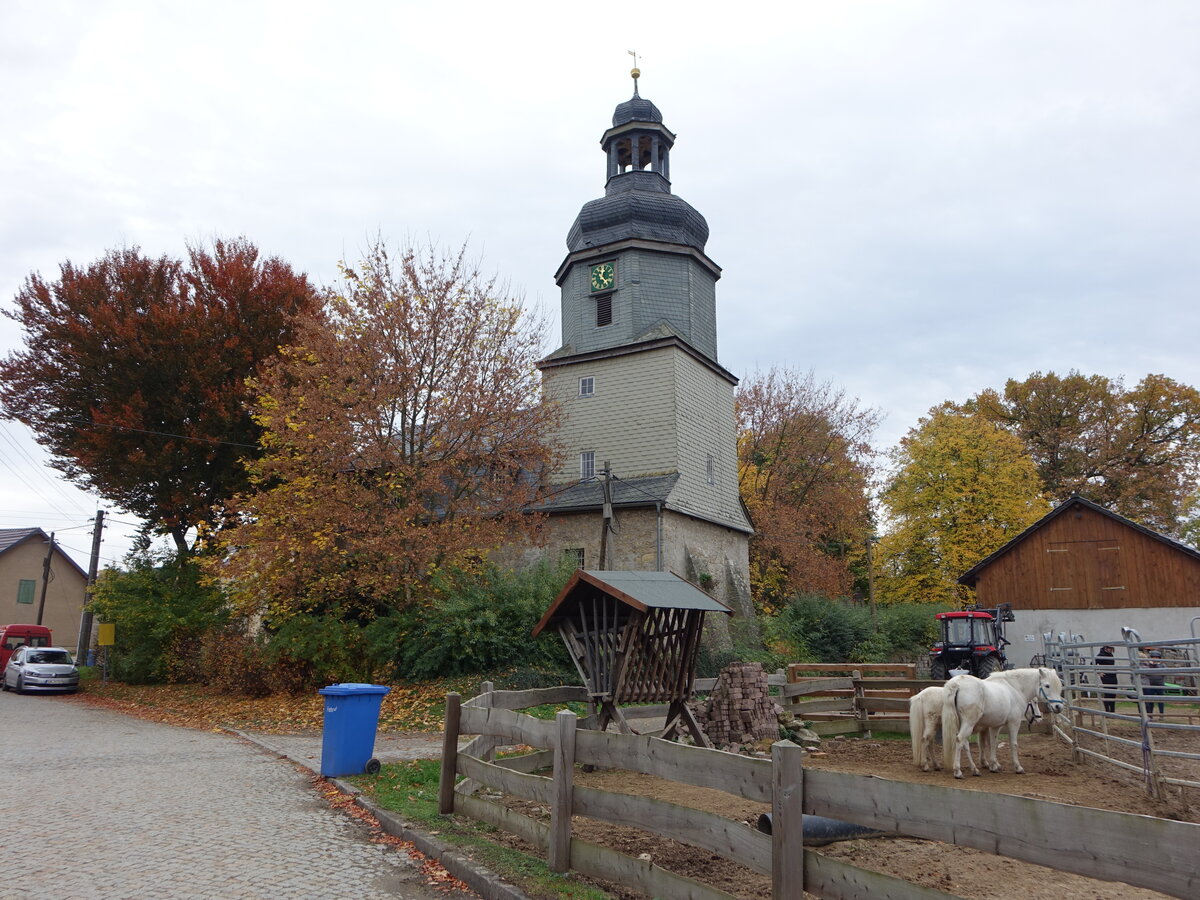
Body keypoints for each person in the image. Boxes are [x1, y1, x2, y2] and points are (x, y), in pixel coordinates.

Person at [1141, 650, 1166, 718]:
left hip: (1160, 684)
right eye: (1153, 657)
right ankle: (1150, 715)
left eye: (1157, 657)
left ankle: (1161, 715)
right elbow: (1147, 673)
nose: (1155, 658)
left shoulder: (1162, 665)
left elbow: (1164, 673)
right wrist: (1152, 665)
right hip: (1151, 684)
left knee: (1160, 701)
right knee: (1150, 701)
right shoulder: (1148, 665)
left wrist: (1157, 666)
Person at [1096, 645, 1118, 714]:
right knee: (1108, 692)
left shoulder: (1110, 655)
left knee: (1113, 693)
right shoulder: (1101, 655)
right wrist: (1099, 672)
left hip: (1113, 675)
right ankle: (1107, 711)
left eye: (1112, 648)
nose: (1111, 650)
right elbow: (1093, 663)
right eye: (1110, 648)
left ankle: (1112, 711)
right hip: (1106, 676)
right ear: (1106, 648)